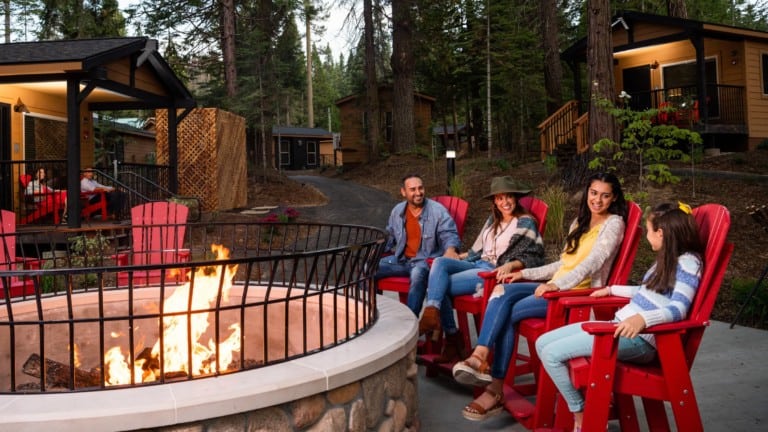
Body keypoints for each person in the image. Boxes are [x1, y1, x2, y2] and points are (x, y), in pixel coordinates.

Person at [452, 172, 628, 422]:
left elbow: (592, 262)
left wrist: (556, 286)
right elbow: (562, 263)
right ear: (587, 193)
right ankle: (480, 357)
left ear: (614, 198)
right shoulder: (580, 222)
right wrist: (524, 272)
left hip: (576, 295)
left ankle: (494, 385)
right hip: (559, 286)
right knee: (502, 289)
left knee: (508, 312)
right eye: (593, 193)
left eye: (605, 195)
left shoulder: (614, 224)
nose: (597, 200)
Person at [535, 202, 703, 432]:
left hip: (641, 339)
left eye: (648, 229)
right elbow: (646, 291)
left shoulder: (688, 264)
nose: (646, 236)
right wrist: (612, 290)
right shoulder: (667, 259)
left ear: (661, 233)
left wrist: (644, 320)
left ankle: (580, 412)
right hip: (619, 328)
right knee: (542, 343)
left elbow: (678, 309)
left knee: (553, 354)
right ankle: (581, 410)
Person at [418, 176, 546, 363]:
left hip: (491, 273)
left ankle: (452, 337)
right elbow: (477, 250)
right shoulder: (492, 221)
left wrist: (510, 264)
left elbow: (532, 255)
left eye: (509, 197)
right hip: (477, 264)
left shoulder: (525, 222)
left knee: (437, 286)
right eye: (500, 198)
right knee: (440, 263)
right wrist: (460, 256)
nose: (505, 202)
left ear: (516, 198)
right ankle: (435, 314)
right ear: (494, 200)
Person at [375, 173, 461, 317]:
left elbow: (449, 233)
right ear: (403, 192)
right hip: (401, 260)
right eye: (413, 189)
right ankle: (370, 313)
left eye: (420, 188)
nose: (418, 193)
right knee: (368, 268)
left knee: (417, 276)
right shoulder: (398, 211)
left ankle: (410, 322)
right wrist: (375, 250)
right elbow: (390, 236)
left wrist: (451, 249)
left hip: (424, 262)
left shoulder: (437, 211)